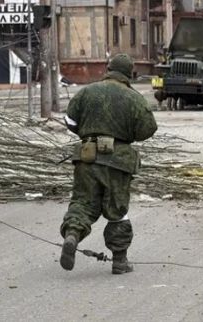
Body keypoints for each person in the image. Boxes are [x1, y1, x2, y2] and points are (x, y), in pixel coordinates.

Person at [60, 53, 157, 274]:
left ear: (108, 68)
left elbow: (70, 121)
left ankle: (73, 236)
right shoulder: (134, 98)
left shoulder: (86, 91)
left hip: (87, 156)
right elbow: (148, 128)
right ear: (129, 73)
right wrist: (126, 136)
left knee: (83, 202)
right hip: (118, 159)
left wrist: (88, 133)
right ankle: (120, 261)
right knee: (117, 209)